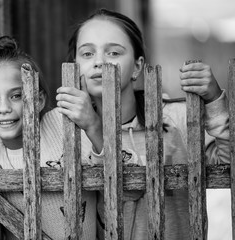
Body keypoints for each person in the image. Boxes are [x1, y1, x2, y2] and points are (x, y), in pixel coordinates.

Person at [56, 9, 230, 240]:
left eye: (113, 52)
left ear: (137, 67)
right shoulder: (66, 130)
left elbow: (228, 165)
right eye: (87, 53)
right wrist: (92, 127)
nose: (99, 62)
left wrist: (215, 100)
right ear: (74, 65)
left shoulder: (175, 118)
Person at [0, 36, 99, 240]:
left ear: (39, 99)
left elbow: (114, 172)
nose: (4, 108)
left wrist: (94, 126)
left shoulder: (64, 125)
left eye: (16, 95)